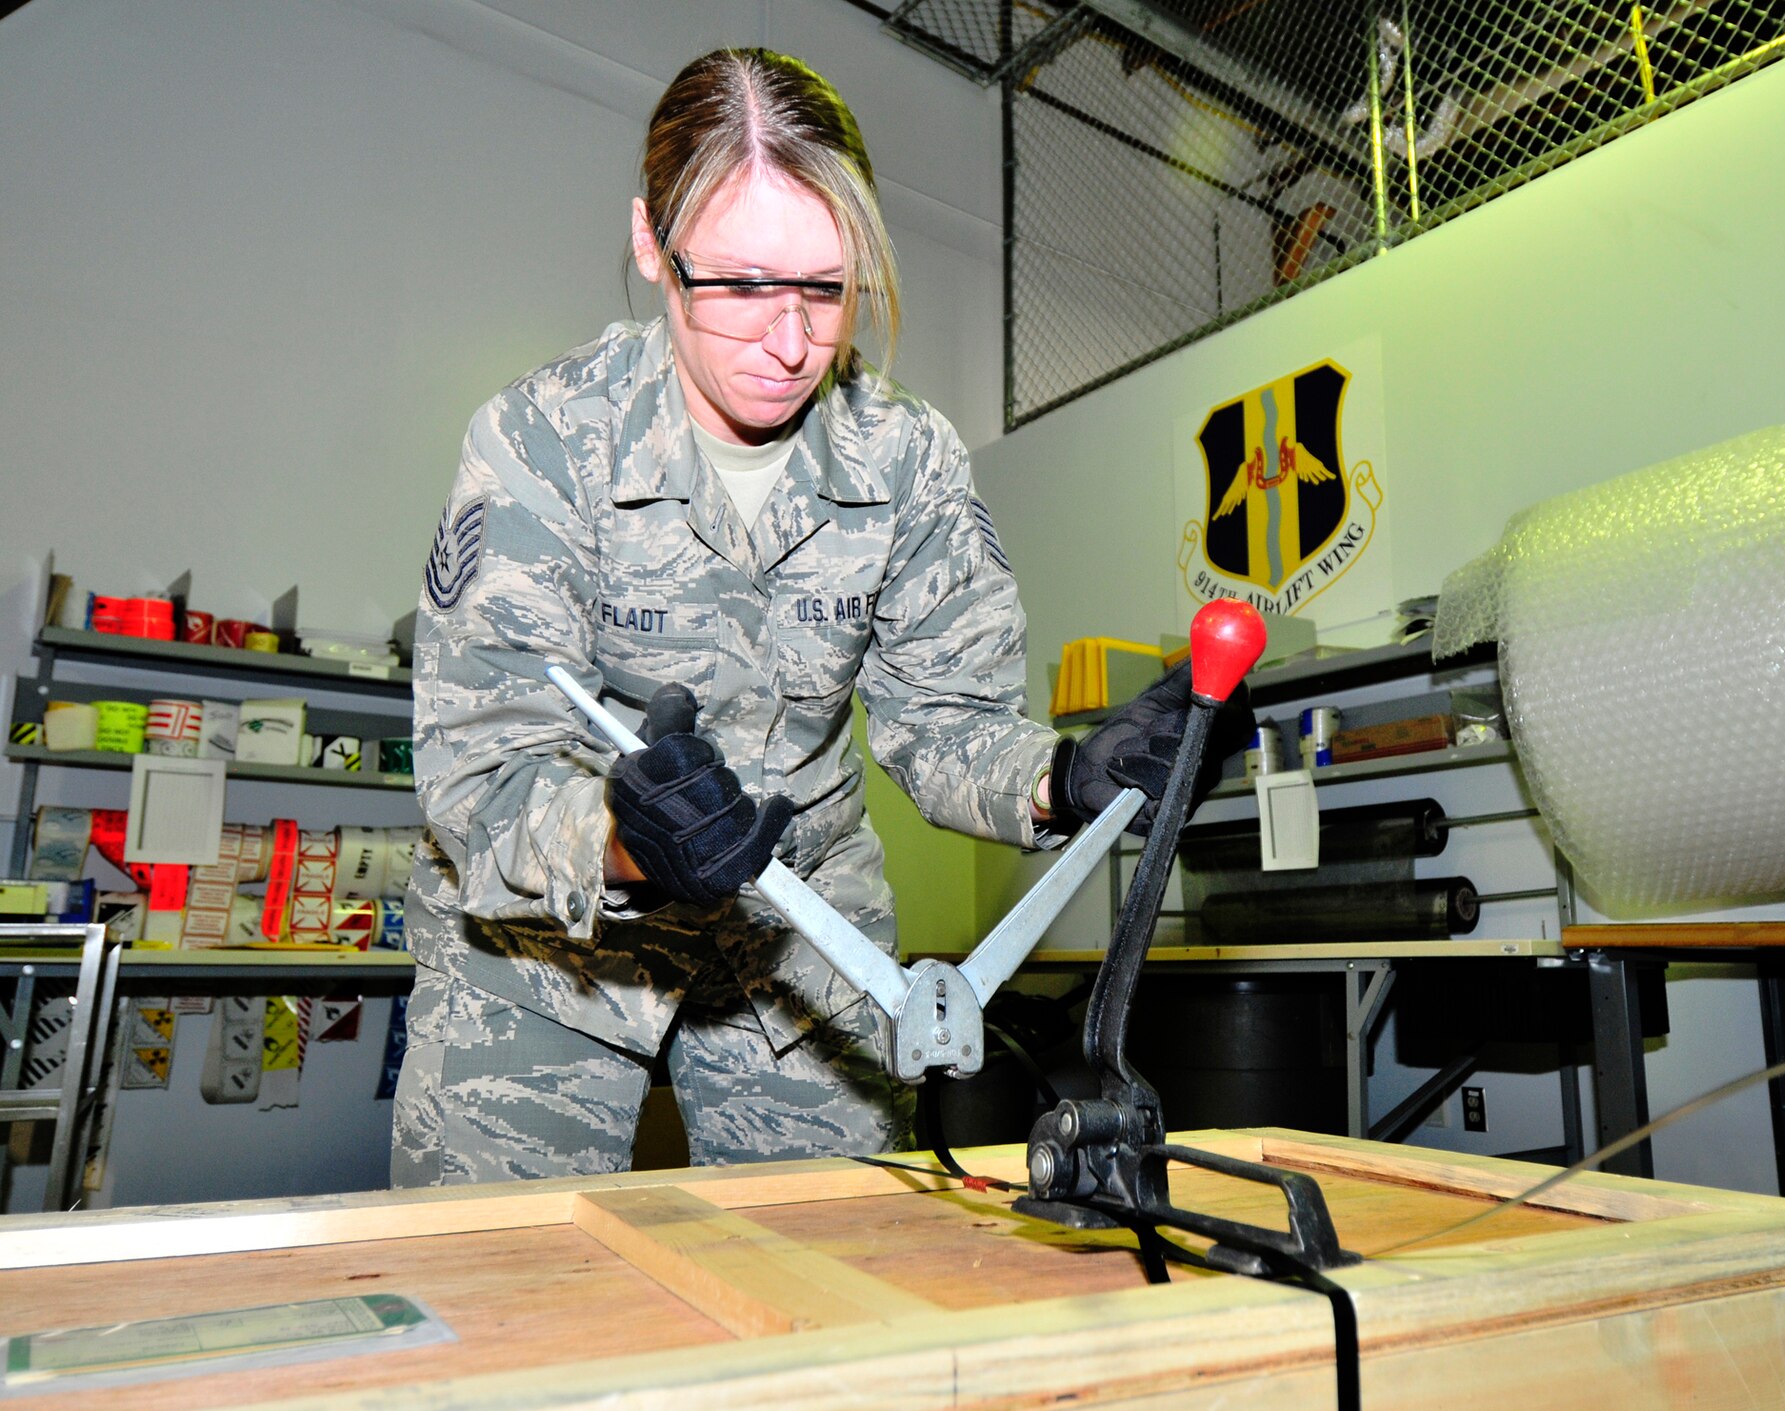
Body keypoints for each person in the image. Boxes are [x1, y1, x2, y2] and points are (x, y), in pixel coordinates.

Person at [393, 48, 1240, 1187]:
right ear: (651, 245)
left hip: (797, 944)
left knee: (837, 1282)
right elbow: (475, 777)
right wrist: (627, 837)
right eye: (741, 285)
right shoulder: (541, 445)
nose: (790, 344)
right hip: (553, 951)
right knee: (503, 1303)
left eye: (827, 289)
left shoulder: (906, 457)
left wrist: (1069, 778)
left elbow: (944, 721)